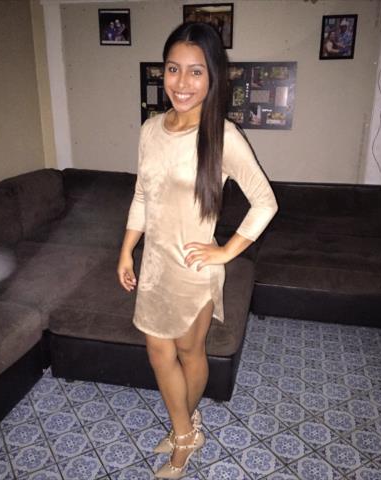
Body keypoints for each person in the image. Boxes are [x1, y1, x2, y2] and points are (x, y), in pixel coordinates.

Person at [117, 22, 278, 479]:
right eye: (173, 69)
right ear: (162, 71)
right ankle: (186, 430)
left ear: (213, 77)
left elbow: (265, 201)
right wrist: (126, 250)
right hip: (155, 267)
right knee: (157, 353)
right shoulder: (150, 129)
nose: (182, 83)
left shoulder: (222, 135)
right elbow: (142, 195)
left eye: (195, 71)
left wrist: (226, 252)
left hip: (193, 269)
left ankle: (183, 433)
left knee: (190, 353)